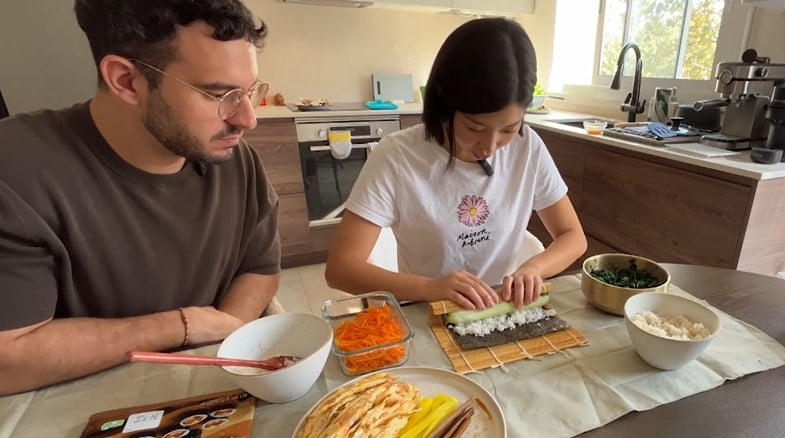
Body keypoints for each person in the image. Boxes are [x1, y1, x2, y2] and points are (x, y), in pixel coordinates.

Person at [0, 0, 281, 395]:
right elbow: (7, 361)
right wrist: (180, 326)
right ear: (126, 81)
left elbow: (260, 268)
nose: (246, 118)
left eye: (249, 91)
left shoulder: (235, 159)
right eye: (219, 94)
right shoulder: (16, 169)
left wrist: (224, 345)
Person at [325, 18, 587, 311]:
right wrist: (431, 288)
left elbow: (572, 237)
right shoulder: (397, 156)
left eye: (508, 129)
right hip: (426, 312)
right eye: (474, 128)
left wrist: (534, 268)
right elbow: (340, 269)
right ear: (444, 102)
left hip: (501, 310)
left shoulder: (528, 146)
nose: (489, 146)